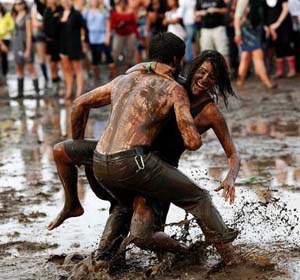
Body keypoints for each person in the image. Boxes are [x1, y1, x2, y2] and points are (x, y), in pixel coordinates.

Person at [71, 32, 239, 263]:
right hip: (139, 162)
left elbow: (232, 153)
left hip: (160, 171)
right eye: (201, 72)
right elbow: (144, 71)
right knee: (123, 216)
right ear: (187, 66)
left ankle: (227, 257)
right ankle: (108, 259)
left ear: (218, 82)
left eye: (212, 77)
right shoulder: (173, 85)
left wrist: (230, 177)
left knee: (144, 234)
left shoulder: (209, 111)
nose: (204, 79)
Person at [234, 0, 275, 89]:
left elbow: (263, 14)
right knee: (257, 54)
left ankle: (240, 81)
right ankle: (266, 81)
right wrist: (237, 33)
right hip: (247, 30)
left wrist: (266, 26)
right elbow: (237, 17)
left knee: (246, 56)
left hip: (256, 29)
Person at [83, 0, 116, 85]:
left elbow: (108, 25)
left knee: (109, 59)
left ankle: (115, 79)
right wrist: (84, 38)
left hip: (102, 37)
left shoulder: (103, 10)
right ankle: (97, 80)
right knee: (94, 61)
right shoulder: (87, 11)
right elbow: (83, 25)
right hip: (92, 38)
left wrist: (107, 36)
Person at [12, 0, 39, 98]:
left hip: (25, 44)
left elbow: (29, 34)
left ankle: (36, 91)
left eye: (20, 3)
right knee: (19, 68)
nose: (18, 6)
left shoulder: (27, 17)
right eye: (16, 4)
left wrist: (28, 49)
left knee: (30, 67)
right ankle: (20, 93)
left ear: (24, 4)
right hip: (17, 44)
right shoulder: (15, 16)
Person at [35, 0, 63, 96]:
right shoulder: (46, 10)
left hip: (60, 41)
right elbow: (38, 3)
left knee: (63, 64)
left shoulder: (60, 9)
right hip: (49, 41)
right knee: (52, 64)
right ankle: (55, 87)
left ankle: (67, 85)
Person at [59, 0, 85, 100]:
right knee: (66, 68)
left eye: (68, 0)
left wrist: (83, 41)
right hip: (63, 45)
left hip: (74, 44)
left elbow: (83, 28)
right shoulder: (59, 14)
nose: (66, 2)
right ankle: (69, 90)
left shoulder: (76, 14)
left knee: (77, 67)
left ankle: (79, 91)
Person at [263, 0, 296, 78]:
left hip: (283, 25)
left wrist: (278, 23)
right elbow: (264, 12)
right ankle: (279, 71)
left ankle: (292, 69)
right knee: (276, 47)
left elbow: (285, 10)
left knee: (286, 45)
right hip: (271, 27)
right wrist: (266, 26)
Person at [195, 0, 229, 66]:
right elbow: (195, 12)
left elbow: (225, 10)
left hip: (218, 28)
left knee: (223, 52)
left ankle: (226, 73)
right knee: (206, 54)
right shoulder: (200, 1)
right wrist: (201, 12)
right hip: (205, 29)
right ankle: (210, 74)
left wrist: (216, 10)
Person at [31, 2, 49, 87]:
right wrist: (46, 24)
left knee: (52, 58)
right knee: (42, 58)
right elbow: (35, 23)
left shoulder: (48, 5)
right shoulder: (35, 7)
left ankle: (53, 78)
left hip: (50, 34)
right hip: (39, 35)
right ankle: (46, 78)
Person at [0, 3, 14, 80]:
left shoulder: (7, 15)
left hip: (5, 37)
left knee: (4, 56)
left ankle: (4, 74)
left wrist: (7, 29)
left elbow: (12, 26)